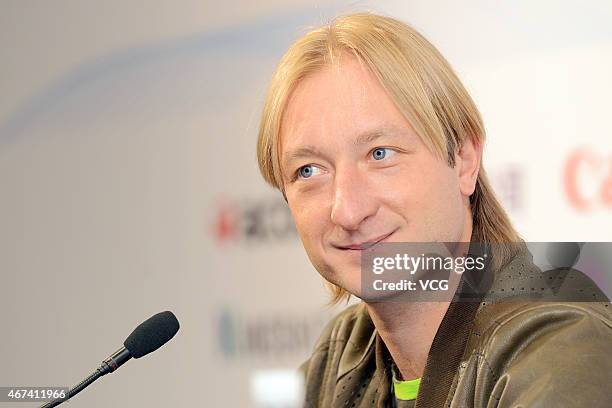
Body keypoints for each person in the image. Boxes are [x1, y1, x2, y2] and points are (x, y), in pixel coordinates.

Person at [256, 12, 612, 408]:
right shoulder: (340, 357)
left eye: (380, 154)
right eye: (309, 170)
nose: (347, 210)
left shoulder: (559, 345)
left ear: (463, 160)